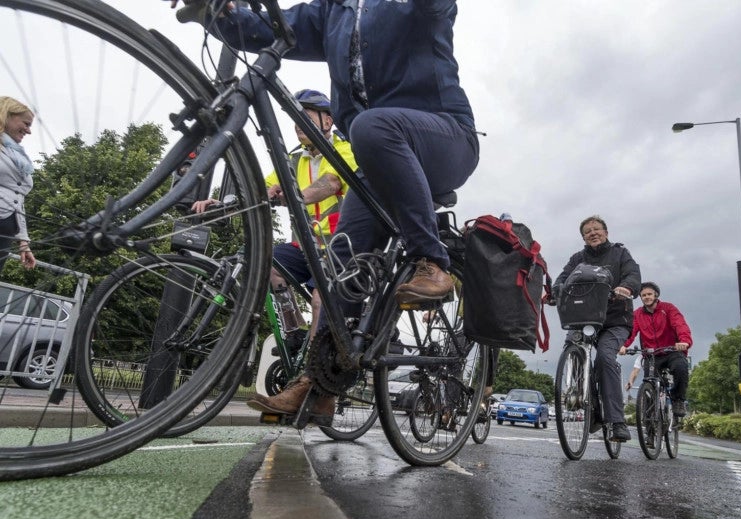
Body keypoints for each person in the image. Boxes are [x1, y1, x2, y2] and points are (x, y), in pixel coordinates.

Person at [174, 1, 481, 424]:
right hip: (378, 157)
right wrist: (215, 13)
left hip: (444, 137)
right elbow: (266, 27)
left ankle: (432, 261)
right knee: (341, 267)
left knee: (371, 126)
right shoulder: (331, 11)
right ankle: (319, 386)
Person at [192, 89, 357, 346]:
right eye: (295, 117)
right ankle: (295, 332)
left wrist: (290, 197)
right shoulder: (293, 159)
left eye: (306, 116)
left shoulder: (344, 148)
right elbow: (262, 189)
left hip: (339, 246)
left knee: (319, 299)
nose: (297, 124)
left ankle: (313, 373)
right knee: (268, 264)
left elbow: (331, 182)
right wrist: (224, 204)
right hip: (306, 246)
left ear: (328, 120)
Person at [553, 215, 641, 442]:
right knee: (572, 348)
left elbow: (633, 274)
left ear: (606, 232)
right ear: (583, 237)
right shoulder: (577, 258)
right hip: (583, 318)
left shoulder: (620, 254)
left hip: (615, 321)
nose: (593, 233)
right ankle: (589, 406)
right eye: (587, 231)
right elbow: (563, 277)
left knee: (604, 357)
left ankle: (616, 421)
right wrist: (555, 291)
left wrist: (626, 287)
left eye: (597, 229)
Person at [619, 281, 692, 419]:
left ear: (656, 295)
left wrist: (684, 341)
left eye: (649, 294)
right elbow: (631, 331)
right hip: (652, 355)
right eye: (643, 295)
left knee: (681, 368)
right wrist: (623, 344)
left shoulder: (668, 308)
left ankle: (678, 400)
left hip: (672, 351)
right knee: (649, 385)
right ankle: (649, 422)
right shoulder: (638, 314)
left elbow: (679, 324)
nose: (646, 297)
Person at [0, 96, 36, 273]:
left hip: (5, 231)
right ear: (7, 116)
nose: (28, 131)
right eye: (26, 123)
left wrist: (23, 241)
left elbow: (18, 199)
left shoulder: (17, 156)